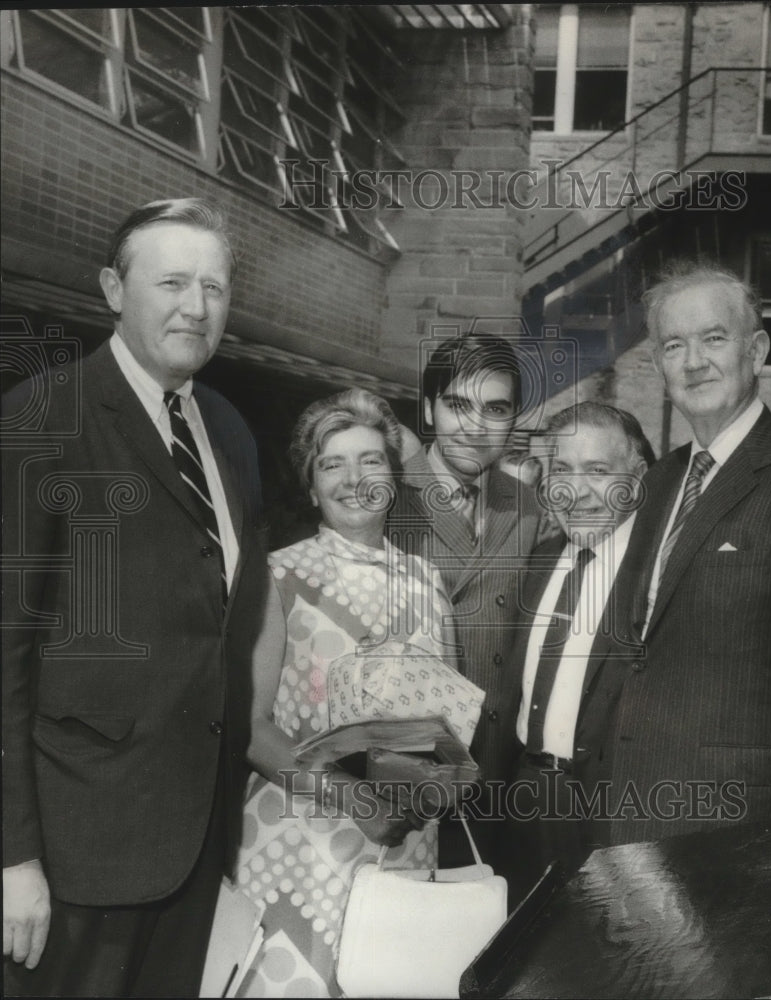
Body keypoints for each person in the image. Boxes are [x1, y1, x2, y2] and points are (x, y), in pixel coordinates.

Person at [1, 199, 269, 996]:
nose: (196, 307)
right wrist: (13, 857)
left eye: (214, 287)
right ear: (113, 289)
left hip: (193, 850)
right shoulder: (39, 421)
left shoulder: (229, 430)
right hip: (72, 856)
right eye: (173, 282)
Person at [579, 262, 771, 847]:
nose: (693, 361)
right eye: (673, 346)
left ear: (756, 350)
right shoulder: (659, 482)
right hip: (634, 825)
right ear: (658, 365)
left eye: (714, 338)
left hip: (742, 836)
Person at [233, 388, 458, 998]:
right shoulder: (278, 576)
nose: (353, 478)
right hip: (299, 845)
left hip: (403, 845)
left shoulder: (427, 581)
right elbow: (252, 730)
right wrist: (358, 801)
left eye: (371, 460)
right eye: (332, 463)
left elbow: (448, 730)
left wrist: (432, 785)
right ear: (311, 488)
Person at [388, 333, 542, 859]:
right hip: (407, 787)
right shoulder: (387, 498)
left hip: (498, 784)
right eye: (458, 406)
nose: (476, 427)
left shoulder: (527, 508)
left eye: (495, 408)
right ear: (429, 411)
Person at [500, 402, 653, 903]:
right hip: (522, 800)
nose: (577, 490)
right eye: (562, 469)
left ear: (636, 477)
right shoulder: (540, 560)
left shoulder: (659, 574)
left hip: (612, 814)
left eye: (598, 470)